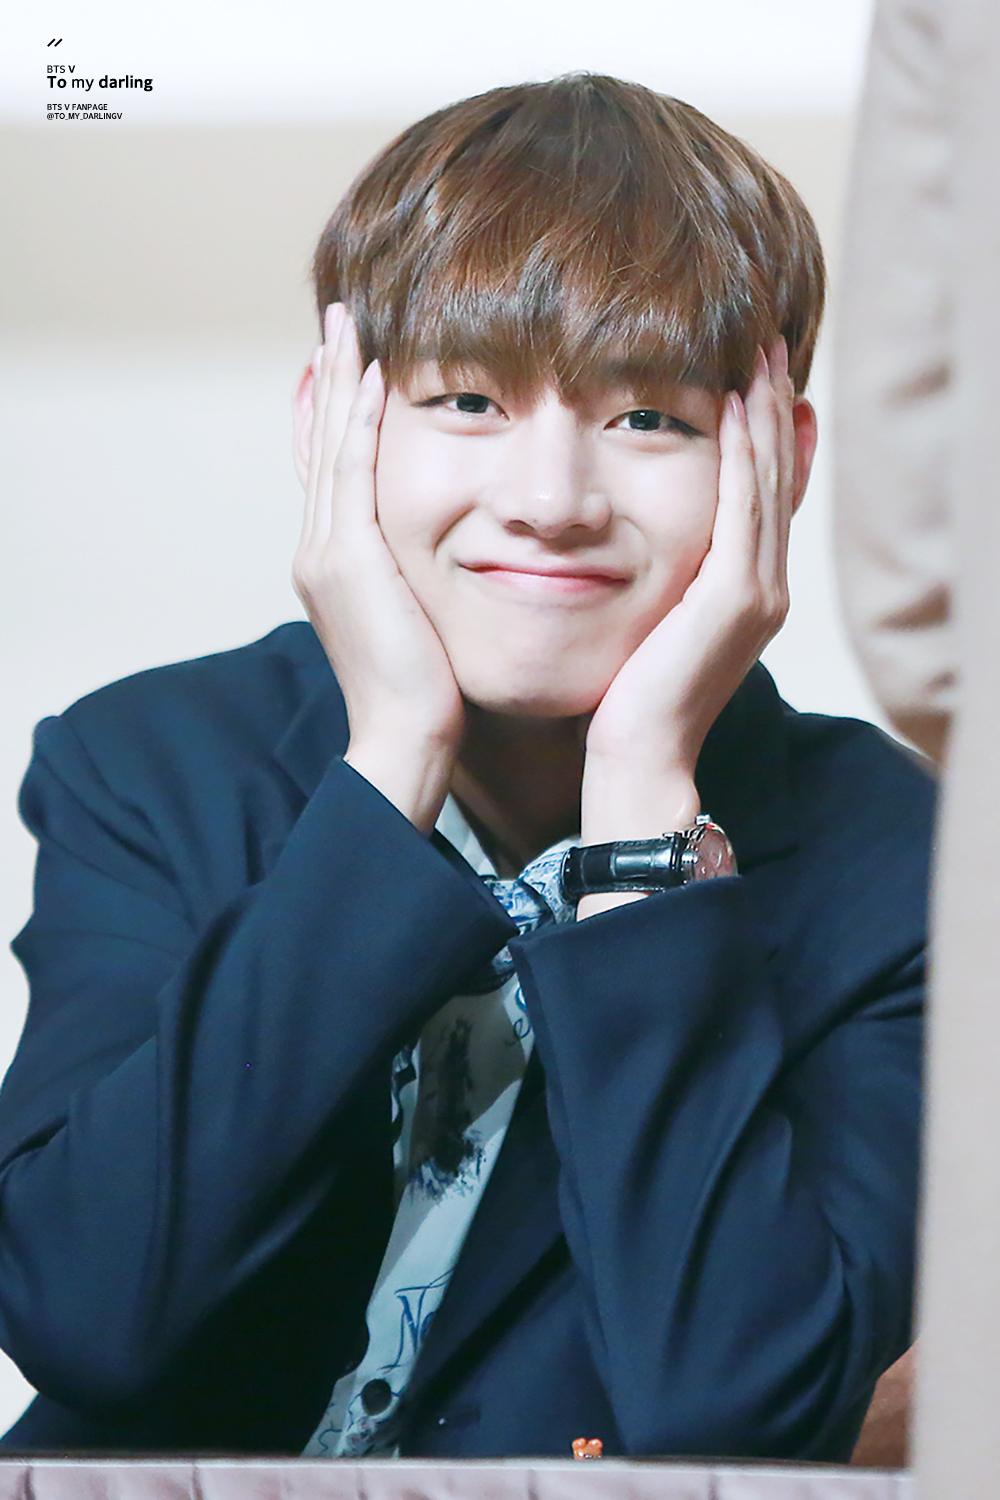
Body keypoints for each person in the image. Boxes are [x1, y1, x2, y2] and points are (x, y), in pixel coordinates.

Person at [0, 73, 934, 1462]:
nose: (551, 501)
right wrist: (388, 768)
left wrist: (642, 828)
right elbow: (85, 1315)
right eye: (469, 399)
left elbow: (733, 1418)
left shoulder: (907, 861)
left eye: (650, 420)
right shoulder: (152, 765)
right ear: (333, 426)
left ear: (781, 460)